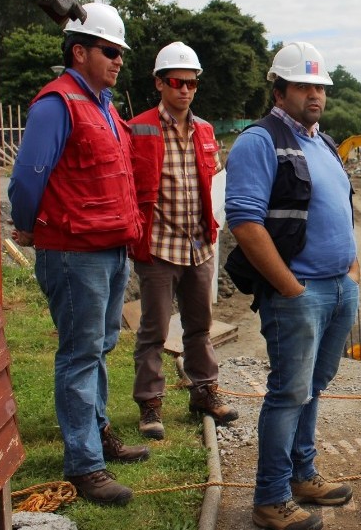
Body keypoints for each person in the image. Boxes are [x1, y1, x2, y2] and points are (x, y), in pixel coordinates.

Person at [8, 2, 149, 506]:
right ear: (79, 51)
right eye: (110, 51)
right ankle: (84, 463)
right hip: (74, 252)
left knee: (101, 346)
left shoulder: (104, 104)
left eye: (120, 53)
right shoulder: (57, 104)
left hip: (110, 246)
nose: (117, 61)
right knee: (79, 353)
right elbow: (27, 177)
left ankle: (99, 433)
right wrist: (26, 227)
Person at [224, 42, 359, 530]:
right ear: (279, 90)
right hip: (300, 291)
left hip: (337, 287)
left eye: (319, 86)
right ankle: (271, 498)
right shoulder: (259, 141)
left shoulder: (321, 141)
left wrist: (351, 270)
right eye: (304, 85)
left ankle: (303, 475)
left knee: (313, 388)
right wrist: (290, 287)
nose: (315, 94)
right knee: (288, 393)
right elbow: (244, 221)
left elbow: (341, 206)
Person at [128, 42, 238, 440]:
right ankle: (150, 404)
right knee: (154, 329)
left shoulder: (205, 131)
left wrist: (217, 223)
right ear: (159, 83)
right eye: (177, 82)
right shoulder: (138, 128)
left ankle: (204, 391)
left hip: (200, 245)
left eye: (192, 83)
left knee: (199, 326)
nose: (185, 90)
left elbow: (217, 183)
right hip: (158, 246)